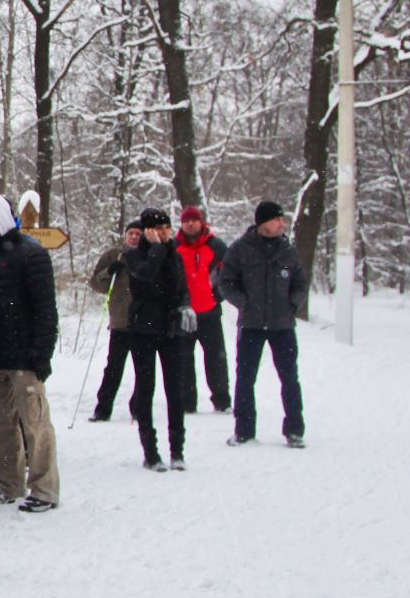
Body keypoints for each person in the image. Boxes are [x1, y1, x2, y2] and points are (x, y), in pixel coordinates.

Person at [0, 192, 60, 512]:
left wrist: (41, 354)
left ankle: (44, 489)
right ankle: (10, 484)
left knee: (35, 425)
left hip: (25, 358)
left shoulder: (32, 255)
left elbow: (46, 309)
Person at [220, 200, 308, 448]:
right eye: (277, 219)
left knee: (290, 377)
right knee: (245, 378)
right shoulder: (240, 249)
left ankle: (294, 430)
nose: (282, 223)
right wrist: (243, 303)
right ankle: (244, 431)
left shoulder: (288, 251)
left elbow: (301, 282)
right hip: (251, 325)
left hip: (283, 326)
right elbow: (226, 282)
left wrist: (293, 304)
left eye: (282, 219)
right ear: (263, 223)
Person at [125, 208, 193, 471]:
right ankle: (150, 451)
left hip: (170, 328)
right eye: (159, 228)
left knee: (175, 389)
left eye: (167, 227)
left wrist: (185, 306)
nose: (165, 233)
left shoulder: (173, 253)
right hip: (143, 329)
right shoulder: (134, 255)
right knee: (146, 387)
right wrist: (155, 249)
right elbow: (144, 279)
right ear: (148, 231)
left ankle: (177, 449)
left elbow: (180, 286)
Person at [174, 205, 231, 414]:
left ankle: (222, 401)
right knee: (184, 360)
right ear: (182, 224)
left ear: (201, 222)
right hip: (184, 314)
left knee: (216, 359)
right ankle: (187, 403)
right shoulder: (174, 247)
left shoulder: (216, 246)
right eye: (186, 220)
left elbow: (228, 275)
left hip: (210, 313)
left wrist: (217, 297)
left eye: (194, 220)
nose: (190, 223)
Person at [86, 221, 142, 422]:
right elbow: (95, 283)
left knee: (142, 369)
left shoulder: (149, 256)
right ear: (125, 236)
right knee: (113, 368)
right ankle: (103, 409)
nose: (134, 237)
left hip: (143, 323)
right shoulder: (114, 255)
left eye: (138, 233)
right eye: (131, 233)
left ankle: (138, 407)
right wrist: (109, 271)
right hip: (119, 322)